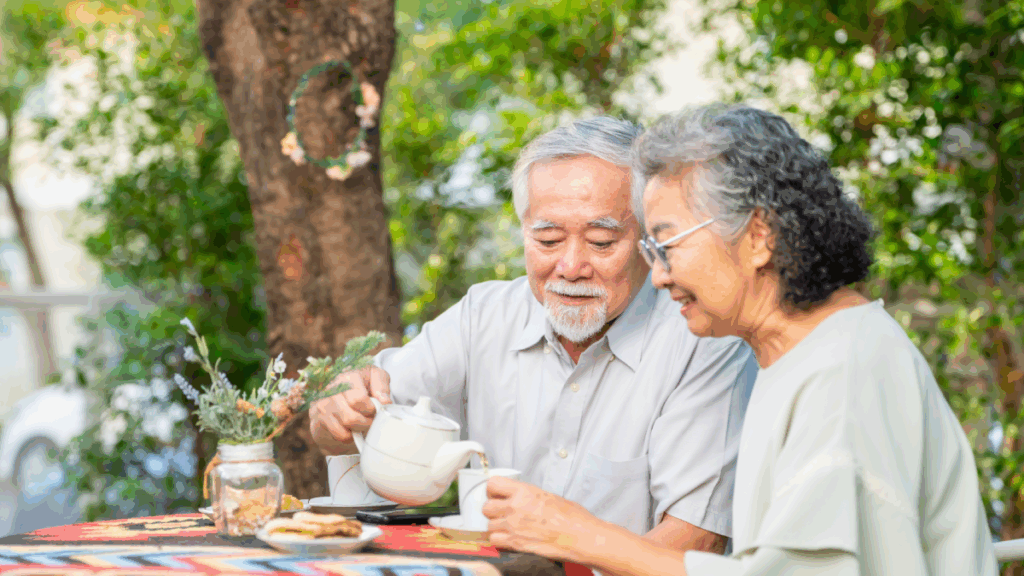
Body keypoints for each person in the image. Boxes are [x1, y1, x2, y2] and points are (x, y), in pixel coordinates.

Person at [480, 105, 998, 575]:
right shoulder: (795, 357)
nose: (656, 277)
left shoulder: (846, 373)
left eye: (666, 245)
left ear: (758, 238)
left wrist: (579, 535)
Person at [311, 116, 759, 552]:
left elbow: (692, 546)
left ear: (648, 239)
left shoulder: (704, 341)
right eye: (547, 241)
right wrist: (338, 409)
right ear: (523, 232)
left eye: (601, 242)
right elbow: (345, 429)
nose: (570, 267)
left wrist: (565, 535)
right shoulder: (482, 316)